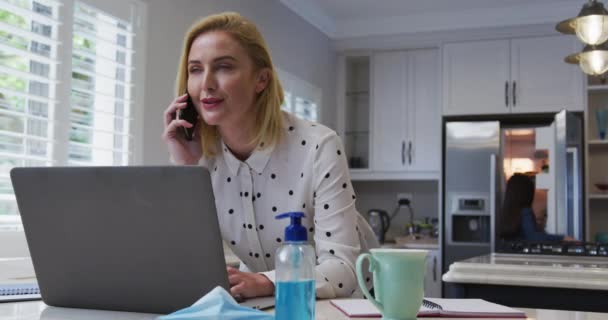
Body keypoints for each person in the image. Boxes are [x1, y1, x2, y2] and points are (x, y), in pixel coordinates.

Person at [162, 12, 378, 299]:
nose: (207, 84)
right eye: (196, 69)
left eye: (224, 67)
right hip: (267, 306)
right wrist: (185, 168)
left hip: (352, 305)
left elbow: (343, 270)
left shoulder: (318, 146)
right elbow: (185, 265)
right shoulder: (203, 159)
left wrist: (266, 282)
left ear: (261, 79)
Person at [498, 173, 573, 242]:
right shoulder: (525, 211)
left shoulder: (505, 211)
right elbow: (533, 236)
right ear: (527, 193)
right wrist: (562, 238)